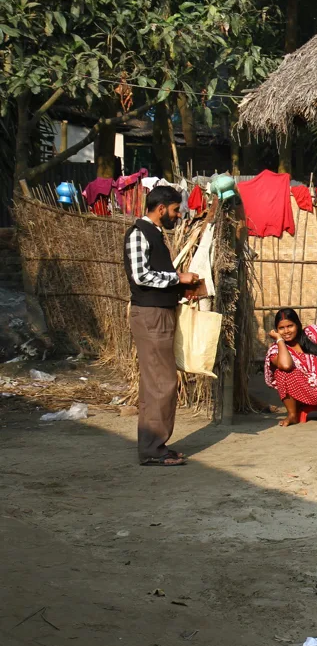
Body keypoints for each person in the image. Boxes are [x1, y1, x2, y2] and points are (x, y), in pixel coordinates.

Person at [125, 185, 201, 467]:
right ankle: (153, 450)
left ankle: (155, 446)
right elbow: (141, 276)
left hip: (158, 313)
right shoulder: (138, 234)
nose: (178, 214)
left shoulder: (153, 235)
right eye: (175, 209)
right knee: (161, 383)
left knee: (156, 383)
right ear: (161, 208)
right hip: (151, 315)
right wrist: (178, 279)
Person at [264, 308, 317, 427]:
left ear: (297, 325)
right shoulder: (276, 350)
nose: (286, 331)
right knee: (282, 372)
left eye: (290, 326)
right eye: (281, 328)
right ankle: (292, 415)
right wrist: (279, 340)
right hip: (304, 394)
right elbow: (286, 365)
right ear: (277, 330)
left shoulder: (313, 333)